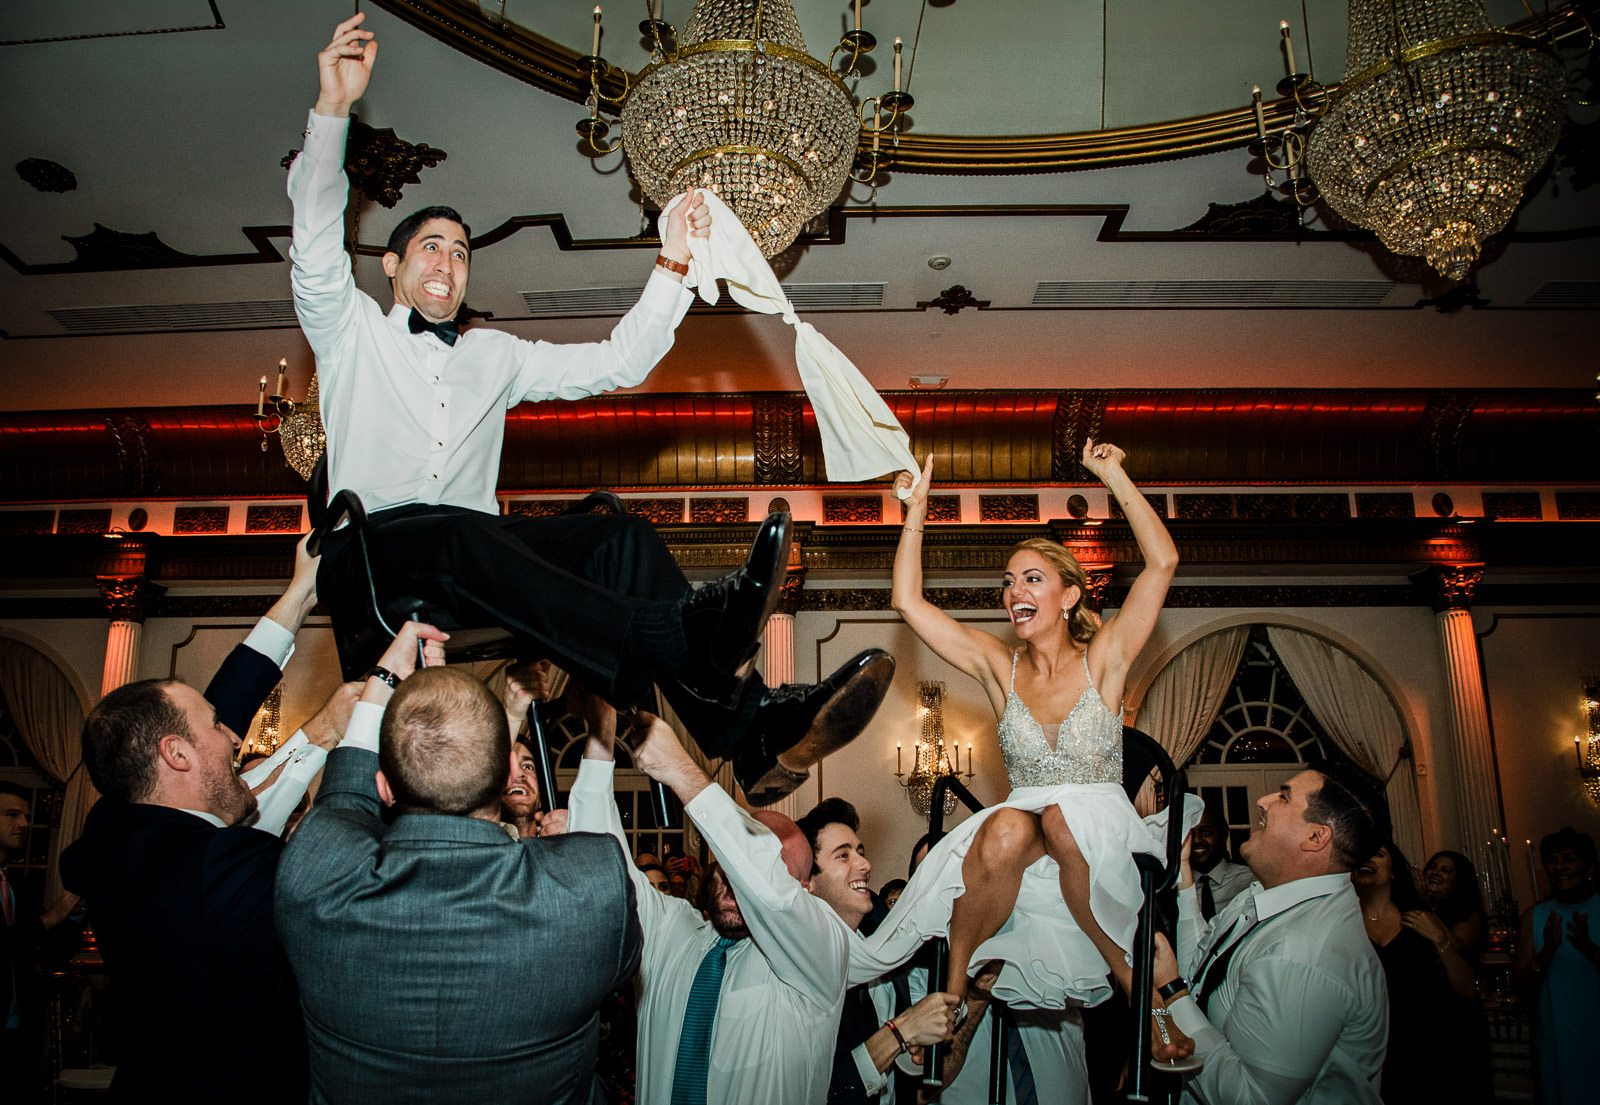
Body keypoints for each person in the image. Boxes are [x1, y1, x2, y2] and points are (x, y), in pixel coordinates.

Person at [291, 13, 891, 805]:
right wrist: (332, 109)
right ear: (394, 263)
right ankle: (676, 638)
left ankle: (751, 731)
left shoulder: (493, 355)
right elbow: (313, 239)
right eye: (431, 247)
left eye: (462, 252)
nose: (448, 263)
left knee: (619, 537)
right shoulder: (349, 330)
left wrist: (673, 260)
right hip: (375, 554)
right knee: (467, 531)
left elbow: (617, 362)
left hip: (473, 565)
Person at [851, 442, 1196, 1069]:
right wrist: (916, 512)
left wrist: (1114, 473)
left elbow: (1164, 559)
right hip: (1028, 828)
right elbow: (908, 602)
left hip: (1095, 825)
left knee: (1061, 820)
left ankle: (1142, 999)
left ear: (1069, 596)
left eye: (1031, 579)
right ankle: (948, 1006)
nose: (1014, 592)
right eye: (1007, 582)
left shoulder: (1107, 657)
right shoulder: (996, 665)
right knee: (1007, 825)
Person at [275, 621, 642, 1105]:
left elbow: (344, 799)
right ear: (510, 771)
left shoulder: (314, 876)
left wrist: (383, 680)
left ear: (384, 785)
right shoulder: (592, 884)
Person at [62, 668, 361, 1104]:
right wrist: (360, 735)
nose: (236, 739)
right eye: (217, 724)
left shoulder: (108, 844)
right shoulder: (220, 859)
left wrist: (325, 728)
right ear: (176, 753)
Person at [567, 701, 853, 1105]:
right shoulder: (672, 934)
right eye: (728, 863)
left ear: (804, 890)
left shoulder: (820, 955)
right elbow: (597, 861)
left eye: (771, 867)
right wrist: (601, 732)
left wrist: (682, 771)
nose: (737, 880)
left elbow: (769, 893)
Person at [1152, 763, 1389, 1104]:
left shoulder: (1304, 954)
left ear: (1315, 837)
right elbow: (1201, 972)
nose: (1262, 801)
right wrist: (1184, 876)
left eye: (1283, 797)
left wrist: (1171, 992)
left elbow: (1252, 1098)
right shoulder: (1263, 895)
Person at [795, 797, 961, 1102]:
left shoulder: (881, 936)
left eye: (860, 851)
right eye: (843, 855)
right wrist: (901, 1031)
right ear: (808, 881)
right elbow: (816, 1089)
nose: (865, 864)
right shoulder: (797, 967)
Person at [1351, 838, 1490, 1104]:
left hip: (1425, 1050)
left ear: (1393, 872)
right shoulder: (1343, 925)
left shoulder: (1420, 921)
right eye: (1361, 856)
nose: (1367, 860)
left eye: (1378, 854)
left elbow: (1466, 988)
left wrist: (1440, 940)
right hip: (1366, 1052)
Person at [1514, 826, 1600, 1105]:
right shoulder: (1534, 917)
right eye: (1551, 860)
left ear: (1589, 866)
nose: (1558, 867)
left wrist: (1588, 947)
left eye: (1568, 858)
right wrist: (1547, 952)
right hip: (1557, 1042)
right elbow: (1520, 989)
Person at [1, 784, 80, 1083]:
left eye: (25, 816)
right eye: (11, 814)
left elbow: (52, 954)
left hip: (20, 1033)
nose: (23, 823)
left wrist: (73, 914)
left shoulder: (18, 886)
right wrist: (51, 917)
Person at [1419, 849, 1487, 963]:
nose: (1435, 872)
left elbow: (1455, 948)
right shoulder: (1416, 908)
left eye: (1445, 870)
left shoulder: (1470, 915)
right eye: (1432, 867)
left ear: (1459, 879)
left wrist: (1426, 904)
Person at [1190, 801, 1253, 922]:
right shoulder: (1173, 888)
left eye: (1205, 832)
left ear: (1223, 837)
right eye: (1189, 834)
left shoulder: (1250, 880)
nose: (1196, 840)